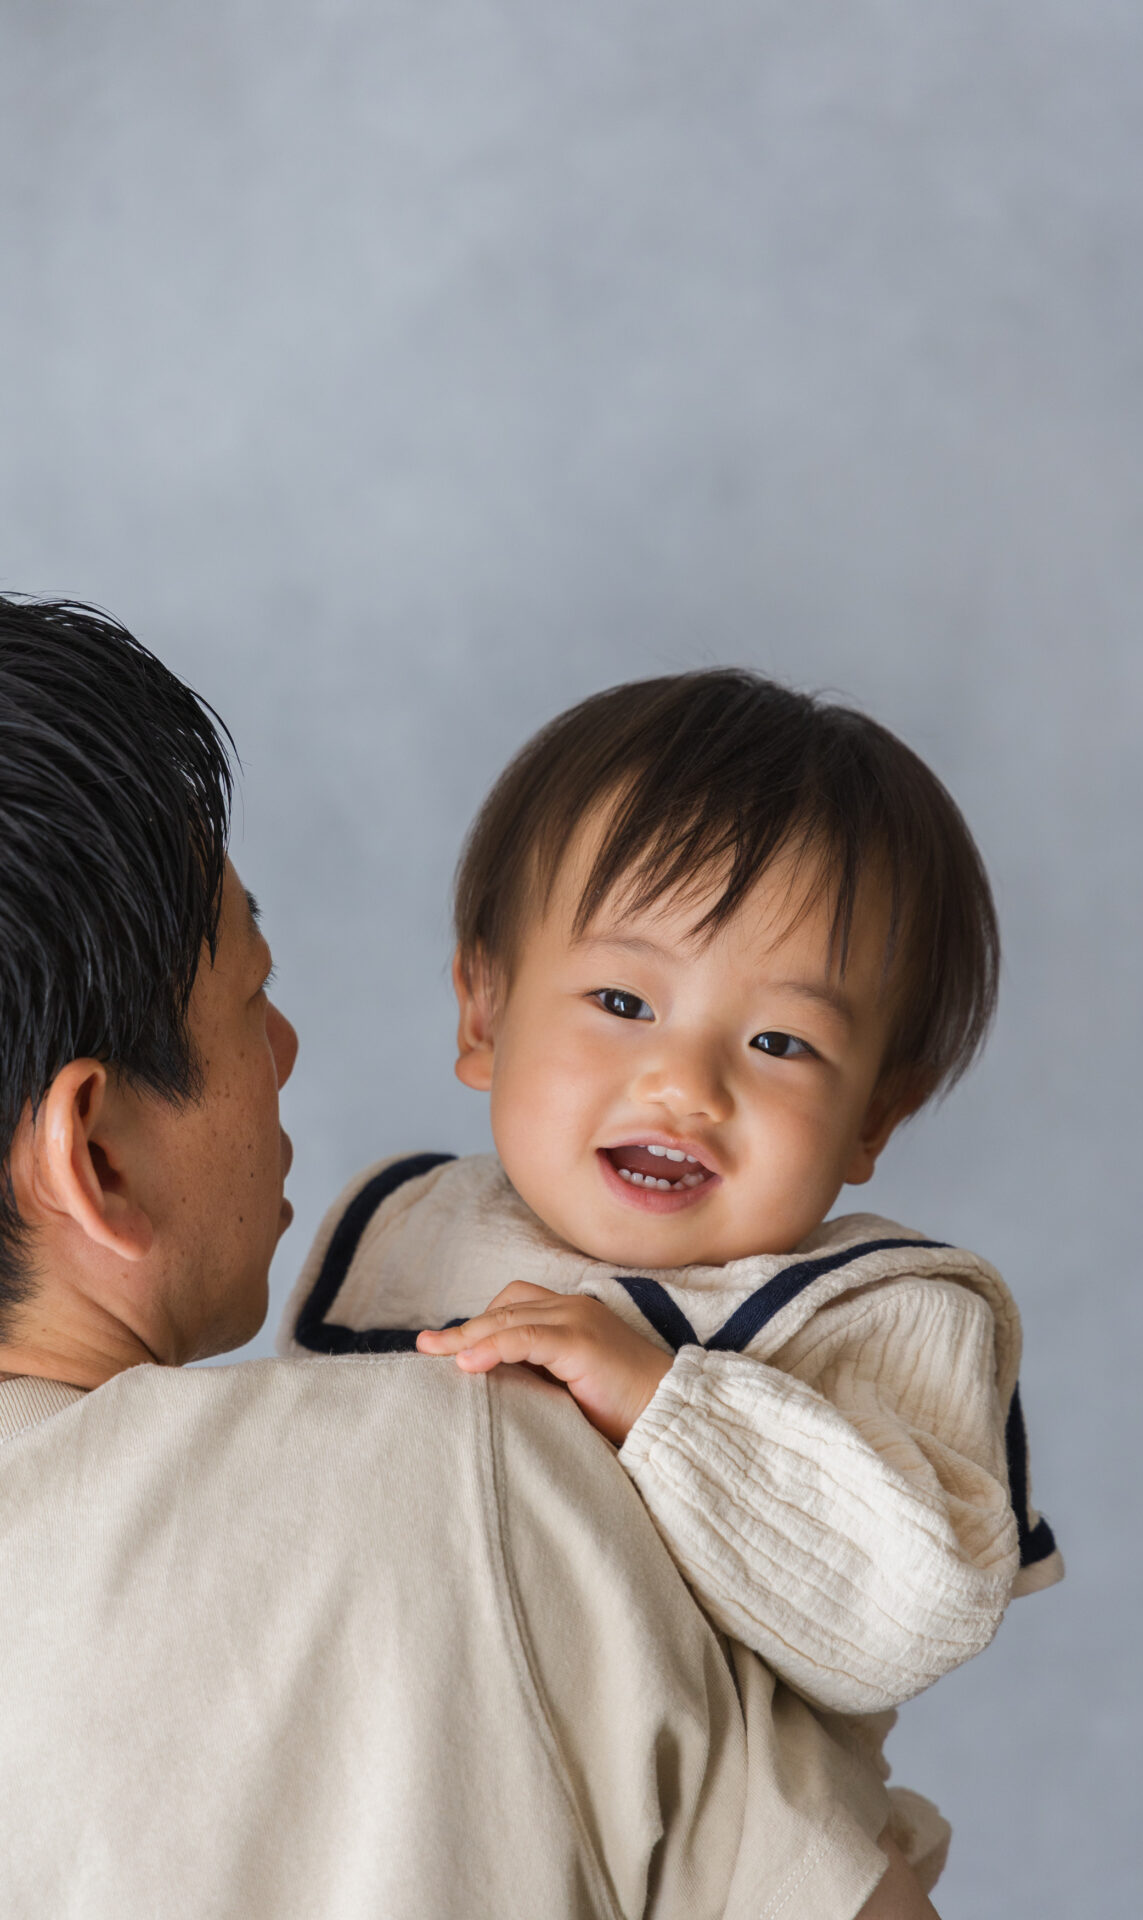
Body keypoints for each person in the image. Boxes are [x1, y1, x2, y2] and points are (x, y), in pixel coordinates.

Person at [0, 597, 933, 1919]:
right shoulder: (481, 1464)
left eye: (778, 1041)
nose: (287, 1052)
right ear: (92, 1157)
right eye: (251, 1000)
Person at [283, 670, 1064, 1913]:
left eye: (779, 1043)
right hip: (434, 1832)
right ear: (481, 1010)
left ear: (874, 1115)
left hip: (736, 1865)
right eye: (622, 1001)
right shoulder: (404, 1230)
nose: (684, 1084)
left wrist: (663, 1402)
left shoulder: (877, 1307)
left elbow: (906, 1613)